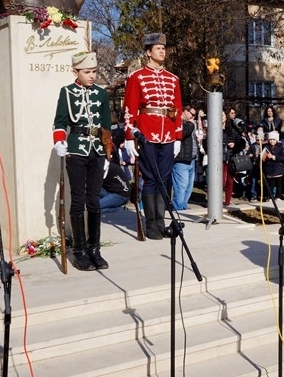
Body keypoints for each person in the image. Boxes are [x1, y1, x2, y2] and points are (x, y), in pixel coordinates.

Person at [53, 50, 111, 271]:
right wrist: (59, 141)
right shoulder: (66, 93)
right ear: (75, 71)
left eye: (94, 71)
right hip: (76, 150)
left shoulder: (102, 94)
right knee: (78, 200)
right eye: (87, 72)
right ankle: (79, 251)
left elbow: (106, 127)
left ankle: (94, 249)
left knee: (94, 200)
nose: (92, 75)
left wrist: (108, 154)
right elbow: (60, 121)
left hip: (97, 150)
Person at [123, 33, 183, 239]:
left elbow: (177, 109)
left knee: (164, 179)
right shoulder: (137, 77)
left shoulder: (173, 78)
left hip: (168, 135)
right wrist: (129, 136)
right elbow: (130, 108)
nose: (162, 51)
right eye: (157, 48)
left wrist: (177, 136)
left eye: (163, 48)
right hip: (147, 133)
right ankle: (151, 225)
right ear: (148, 52)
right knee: (151, 179)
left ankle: (161, 221)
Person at [172, 106, 198, 210]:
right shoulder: (179, 122)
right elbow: (182, 134)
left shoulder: (190, 124)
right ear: (185, 111)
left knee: (189, 186)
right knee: (181, 185)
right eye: (192, 114)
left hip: (191, 158)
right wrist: (191, 124)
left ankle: (183, 206)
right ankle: (178, 207)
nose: (193, 117)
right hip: (181, 159)